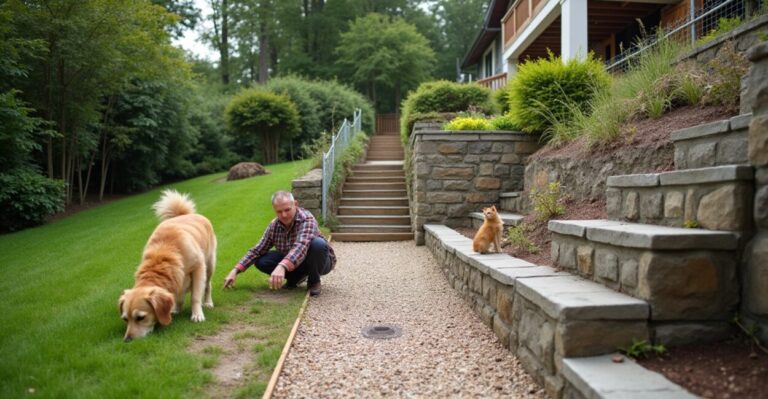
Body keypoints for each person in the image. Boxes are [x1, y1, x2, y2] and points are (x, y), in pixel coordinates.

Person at [223, 191, 335, 296]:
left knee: (318, 244)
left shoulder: (307, 219)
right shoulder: (274, 226)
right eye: (279, 212)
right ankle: (295, 278)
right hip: (295, 263)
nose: (284, 215)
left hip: (321, 261)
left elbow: (300, 246)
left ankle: (314, 281)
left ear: (295, 204)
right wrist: (235, 270)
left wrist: (282, 266)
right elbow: (257, 250)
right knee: (261, 260)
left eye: (287, 210)